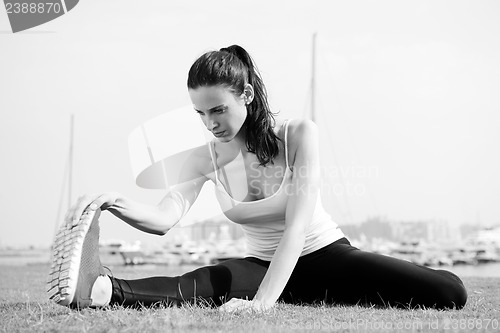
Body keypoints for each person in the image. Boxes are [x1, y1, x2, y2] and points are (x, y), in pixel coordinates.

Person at [48, 45, 467, 312]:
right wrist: (113, 202)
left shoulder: (299, 135)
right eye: (200, 112)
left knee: (449, 294)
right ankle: (105, 289)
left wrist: (263, 303)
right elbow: (163, 218)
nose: (210, 123)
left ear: (245, 96)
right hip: (260, 264)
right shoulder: (202, 159)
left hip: (326, 256)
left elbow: (298, 225)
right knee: (206, 281)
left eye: (218, 110)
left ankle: (317, 290)